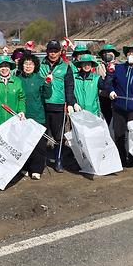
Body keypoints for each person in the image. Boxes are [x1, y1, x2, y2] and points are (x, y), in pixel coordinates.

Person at [103, 44, 133, 167]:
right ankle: (121, 158)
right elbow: (108, 82)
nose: (131, 56)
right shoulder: (119, 68)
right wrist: (111, 90)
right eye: (129, 53)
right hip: (118, 107)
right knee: (119, 134)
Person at [39, 40, 76, 172]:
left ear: (60, 52)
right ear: (47, 51)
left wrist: (70, 103)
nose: (53, 54)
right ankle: (41, 161)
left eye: (55, 51)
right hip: (42, 105)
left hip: (58, 105)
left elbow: (69, 87)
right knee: (41, 134)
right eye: (50, 51)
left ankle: (58, 160)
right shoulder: (40, 65)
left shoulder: (66, 67)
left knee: (58, 135)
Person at [16, 52, 51, 180]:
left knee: (39, 144)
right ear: (21, 65)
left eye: (31, 64)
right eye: (26, 63)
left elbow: (47, 95)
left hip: (37, 115)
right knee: (23, 143)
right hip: (21, 116)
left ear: (35, 66)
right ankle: (25, 167)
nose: (28, 66)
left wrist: (48, 84)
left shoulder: (39, 79)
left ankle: (37, 169)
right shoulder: (17, 79)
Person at [96, 44, 119, 125]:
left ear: (114, 54)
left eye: (110, 52)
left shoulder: (120, 66)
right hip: (102, 97)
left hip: (117, 97)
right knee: (105, 121)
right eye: (105, 52)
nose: (107, 54)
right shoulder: (97, 66)